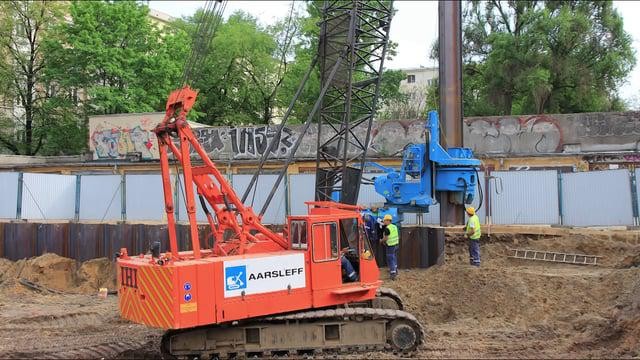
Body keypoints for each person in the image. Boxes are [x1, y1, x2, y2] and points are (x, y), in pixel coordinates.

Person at [381, 214, 399, 280]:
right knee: (394, 258)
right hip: (396, 245)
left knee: (390, 259)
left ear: (388, 220)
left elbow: (386, 238)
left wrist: (381, 240)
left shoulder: (387, 228)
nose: (384, 222)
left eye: (384, 220)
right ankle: (395, 270)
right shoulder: (394, 226)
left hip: (391, 246)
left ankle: (393, 274)